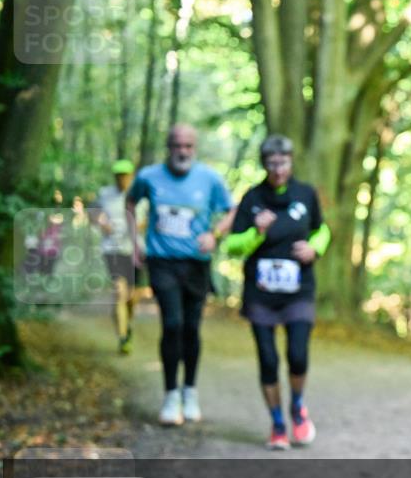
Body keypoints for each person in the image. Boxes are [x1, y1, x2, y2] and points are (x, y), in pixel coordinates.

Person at [224, 135, 328, 450]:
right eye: (272, 163)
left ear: (291, 161)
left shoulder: (306, 194)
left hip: (299, 290)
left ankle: (297, 406)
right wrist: (257, 232)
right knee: (268, 360)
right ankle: (278, 424)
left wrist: (315, 248)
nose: (278, 169)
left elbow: (322, 229)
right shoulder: (252, 198)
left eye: (283, 162)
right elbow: (232, 245)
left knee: (297, 354)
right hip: (261, 293)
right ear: (264, 164)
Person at [127, 124, 234, 426]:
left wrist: (215, 235)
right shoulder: (149, 176)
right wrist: (135, 241)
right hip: (162, 262)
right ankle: (170, 394)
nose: (183, 151)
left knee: (191, 328)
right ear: (168, 147)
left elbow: (232, 211)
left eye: (188, 146)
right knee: (172, 324)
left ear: (195, 148)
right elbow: (130, 203)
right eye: (177, 145)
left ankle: (190, 391)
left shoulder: (210, 178)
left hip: (196, 265)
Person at [95, 159, 139, 354]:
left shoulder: (139, 194)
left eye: (126, 175)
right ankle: (123, 338)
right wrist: (103, 224)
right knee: (119, 293)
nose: (122, 179)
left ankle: (126, 325)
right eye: (119, 175)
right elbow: (93, 213)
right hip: (112, 250)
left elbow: (149, 218)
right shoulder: (105, 194)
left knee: (132, 297)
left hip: (135, 252)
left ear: (131, 176)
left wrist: (136, 227)